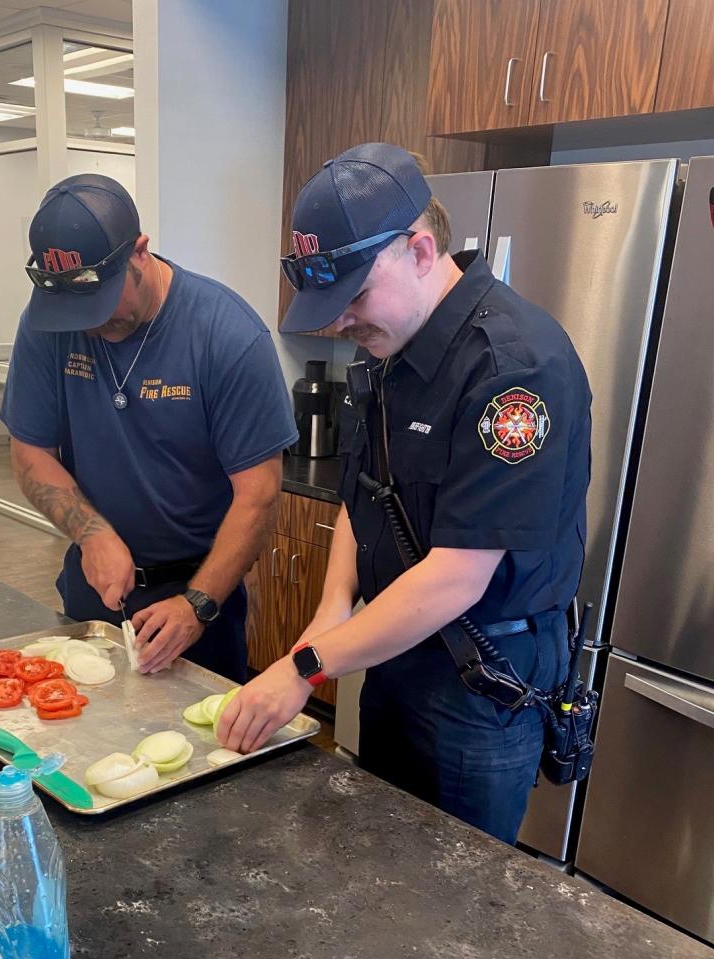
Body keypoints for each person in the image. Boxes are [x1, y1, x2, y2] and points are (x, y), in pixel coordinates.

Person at [218, 143, 592, 845]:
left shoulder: (514, 370)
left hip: (480, 679)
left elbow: (455, 579)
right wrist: (324, 624)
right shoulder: (390, 347)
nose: (338, 324)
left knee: (452, 901)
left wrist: (307, 665)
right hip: (390, 651)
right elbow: (364, 500)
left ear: (420, 251)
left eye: (353, 296)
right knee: (379, 854)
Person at [0, 173, 296, 681]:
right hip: (93, 584)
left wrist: (198, 604)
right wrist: (91, 534)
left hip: (199, 593)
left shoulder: (226, 334)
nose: (89, 325)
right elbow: (30, 451)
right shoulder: (47, 325)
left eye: (100, 302)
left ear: (139, 252)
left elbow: (260, 494)